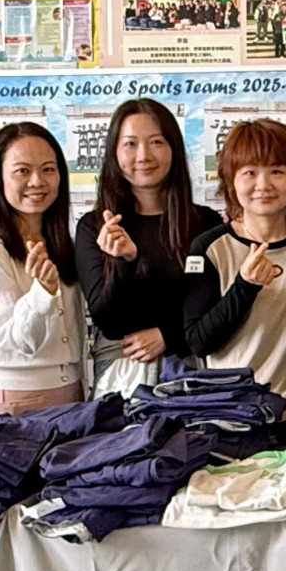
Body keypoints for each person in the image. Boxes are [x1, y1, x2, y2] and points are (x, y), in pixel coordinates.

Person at [181, 120, 286, 434]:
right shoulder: (209, 248)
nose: (263, 184)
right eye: (249, 172)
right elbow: (199, 342)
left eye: (276, 171)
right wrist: (245, 286)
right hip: (226, 418)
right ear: (231, 180)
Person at [73, 99, 221, 395]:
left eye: (156, 142)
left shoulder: (205, 223)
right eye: (130, 144)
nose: (143, 156)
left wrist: (169, 335)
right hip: (121, 374)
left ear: (173, 149)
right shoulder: (95, 226)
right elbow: (107, 320)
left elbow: (217, 306)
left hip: (190, 370)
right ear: (114, 153)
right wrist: (125, 261)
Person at [0, 123, 88, 413]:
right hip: (14, 397)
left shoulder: (64, 244)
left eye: (48, 169)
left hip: (74, 391)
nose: (37, 181)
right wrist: (42, 293)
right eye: (22, 171)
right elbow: (21, 341)